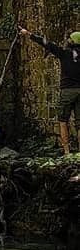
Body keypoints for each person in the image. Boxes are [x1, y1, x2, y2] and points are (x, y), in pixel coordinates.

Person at [19, 27, 80, 155]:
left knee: (63, 120)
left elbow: (46, 43)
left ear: (72, 42)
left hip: (67, 91)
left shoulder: (64, 53)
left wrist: (28, 34)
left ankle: (67, 151)